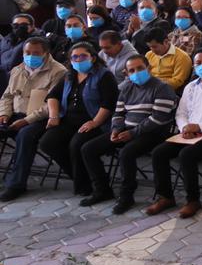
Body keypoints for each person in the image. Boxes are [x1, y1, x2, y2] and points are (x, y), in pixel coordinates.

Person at [145, 50, 202, 218]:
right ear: (194, 67)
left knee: (186, 155)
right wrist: (185, 128)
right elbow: (181, 113)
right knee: (159, 153)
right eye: (198, 63)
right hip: (189, 134)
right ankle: (165, 197)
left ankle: (193, 200)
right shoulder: (190, 87)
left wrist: (199, 127)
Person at [80, 54, 178, 213]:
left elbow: (158, 119)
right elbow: (118, 113)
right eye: (131, 70)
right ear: (126, 73)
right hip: (128, 130)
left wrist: (133, 133)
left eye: (140, 68)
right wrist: (116, 129)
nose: (136, 73)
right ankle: (102, 190)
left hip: (154, 133)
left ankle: (126, 196)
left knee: (126, 153)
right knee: (88, 149)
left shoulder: (162, 88)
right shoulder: (126, 88)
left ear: (149, 68)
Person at [39, 43, 118, 199]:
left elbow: (109, 104)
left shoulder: (104, 75)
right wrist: (54, 116)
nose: (78, 60)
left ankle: (87, 185)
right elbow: (52, 96)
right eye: (75, 57)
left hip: (95, 121)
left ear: (93, 58)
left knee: (76, 144)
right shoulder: (69, 76)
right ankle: (81, 177)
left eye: (83, 56)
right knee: (47, 143)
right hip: (68, 120)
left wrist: (95, 122)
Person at [0, 38, 67, 201]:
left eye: (36, 53)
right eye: (27, 53)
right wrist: (4, 114)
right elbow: (7, 96)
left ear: (45, 53)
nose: (30, 56)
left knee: (25, 136)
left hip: (40, 118)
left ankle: (16, 185)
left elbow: (52, 104)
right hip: (15, 113)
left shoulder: (58, 71)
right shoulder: (18, 69)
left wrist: (27, 121)